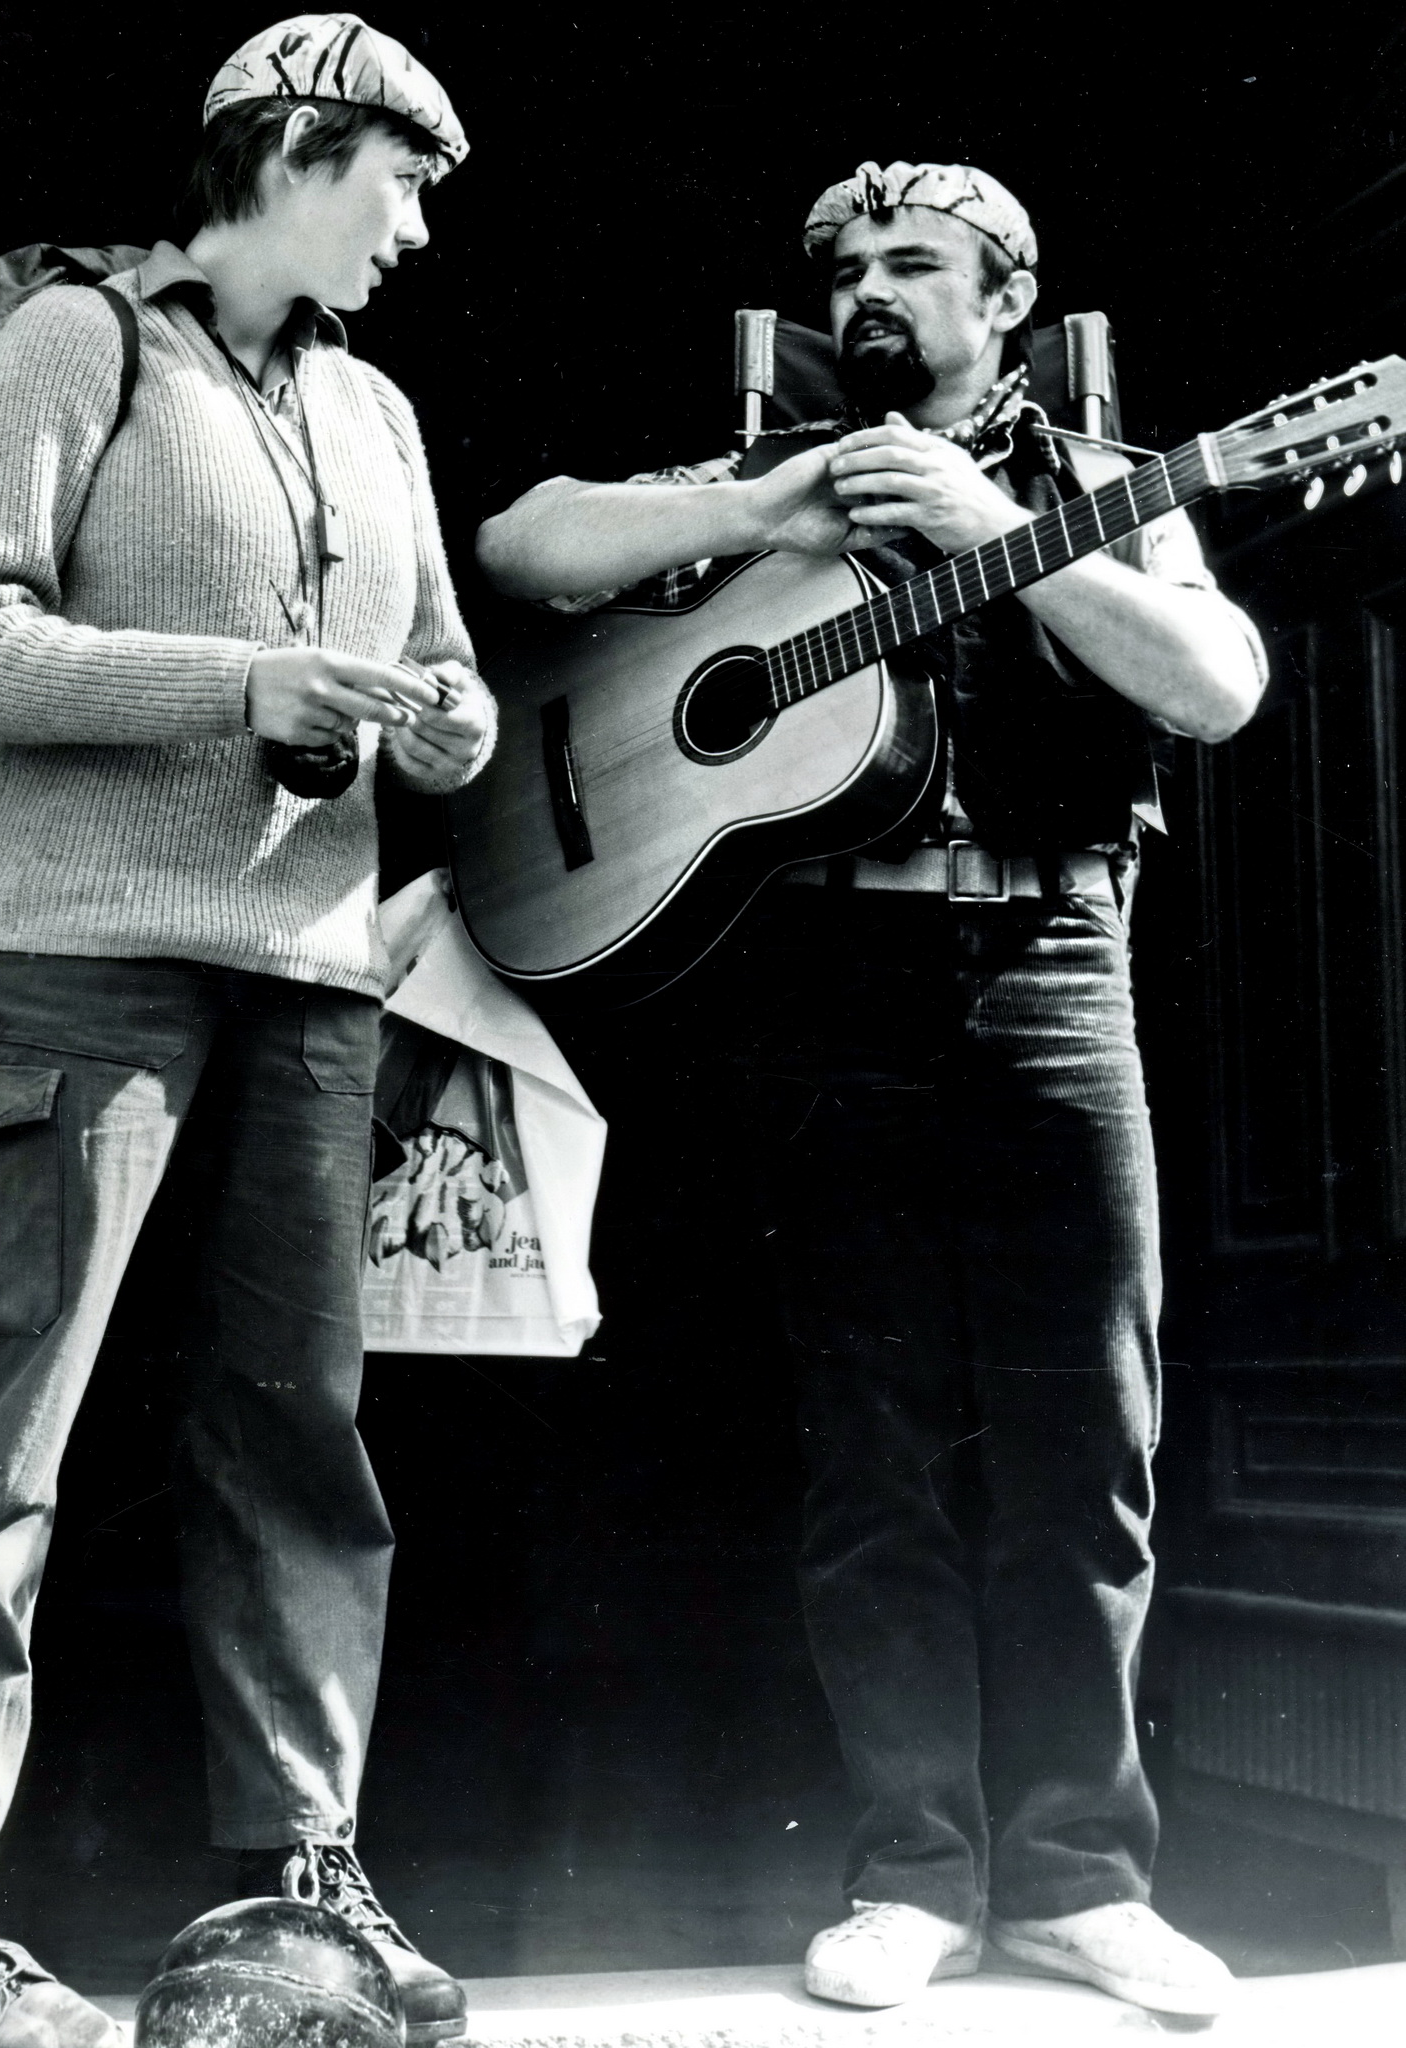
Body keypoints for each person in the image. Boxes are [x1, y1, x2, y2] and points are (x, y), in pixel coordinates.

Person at [476, 159, 1266, 2020]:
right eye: (844, 270)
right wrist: (767, 500)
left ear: (1005, 302)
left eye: (915, 263)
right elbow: (520, 546)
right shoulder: (768, 484)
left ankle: (1077, 1880)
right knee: (872, 1450)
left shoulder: (1101, 478)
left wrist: (1006, 530)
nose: (869, 294)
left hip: (1052, 965)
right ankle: (912, 1873)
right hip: (832, 981)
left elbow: (1218, 685)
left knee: (1086, 1449)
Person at [0, 15, 494, 2046]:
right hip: (76, 959)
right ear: (297, 149)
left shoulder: (381, 410)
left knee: (294, 1434)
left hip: (312, 974)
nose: (417, 229)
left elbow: (440, 662)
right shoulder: (73, 345)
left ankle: (302, 1886)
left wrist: (445, 720)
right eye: (400, 181)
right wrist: (238, 683)